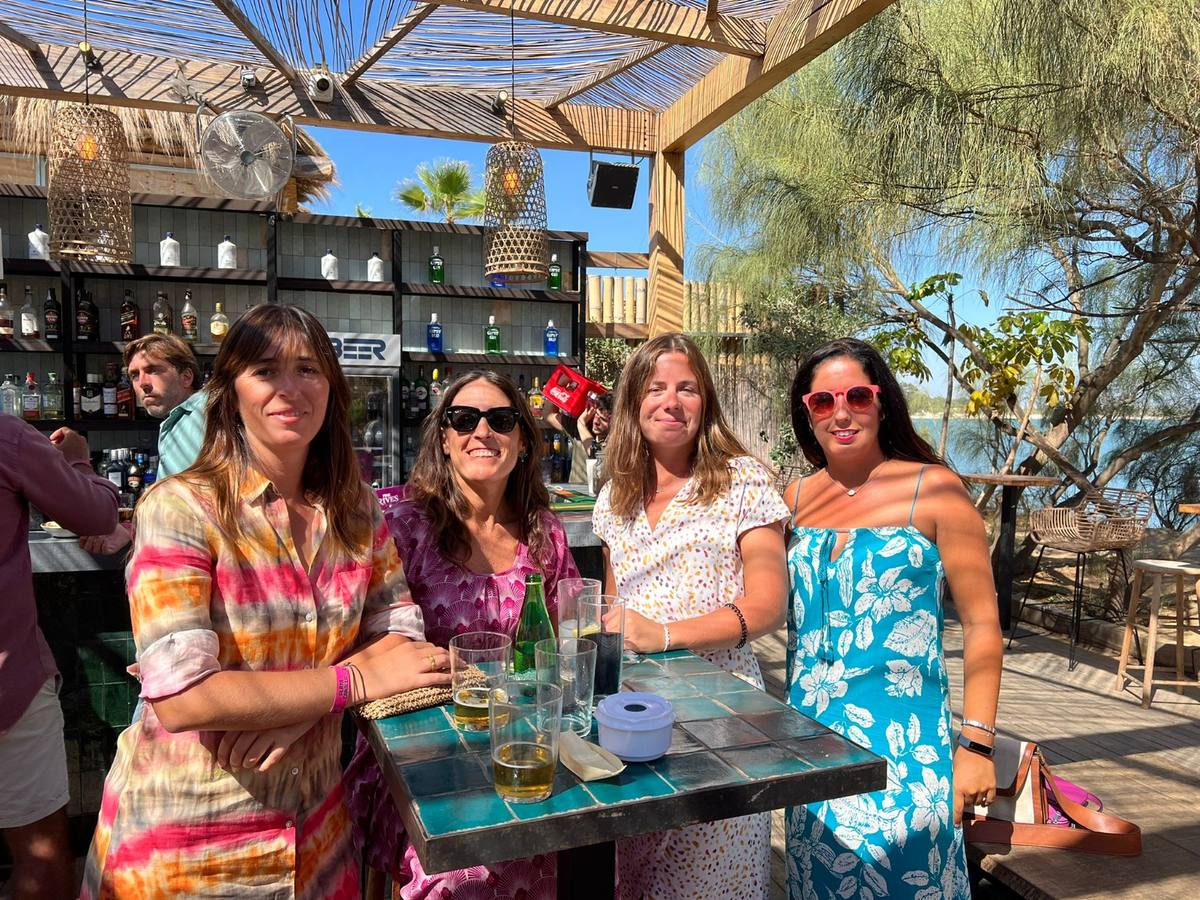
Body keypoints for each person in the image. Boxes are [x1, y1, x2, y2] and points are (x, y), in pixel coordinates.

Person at [81, 305, 450, 898]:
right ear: (229, 393)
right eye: (264, 370)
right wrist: (347, 683)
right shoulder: (179, 508)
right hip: (189, 846)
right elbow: (183, 696)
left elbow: (404, 644)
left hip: (319, 840)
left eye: (307, 369)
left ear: (332, 389)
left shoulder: (355, 511)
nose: (288, 388)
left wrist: (300, 709)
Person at [346, 369, 579, 899]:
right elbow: (359, 640)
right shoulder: (406, 528)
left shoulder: (546, 532)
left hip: (524, 745)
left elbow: (564, 647)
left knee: (584, 849)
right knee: (462, 877)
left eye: (501, 419)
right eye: (463, 419)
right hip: (421, 756)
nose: (482, 432)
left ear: (522, 440)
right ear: (444, 441)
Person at [782, 338, 1002, 899]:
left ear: (882, 403)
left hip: (907, 752)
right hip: (810, 750)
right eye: (823, 402)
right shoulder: (794, 498)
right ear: (806, 413)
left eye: (857, 395)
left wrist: (975, 746)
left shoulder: (934, 488)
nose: (842, 412)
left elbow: (981, 625)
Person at [591, 333, 789, 899]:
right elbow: (613, 608)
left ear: (706, 402)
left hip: (721, 718)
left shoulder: (742, 480)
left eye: (687, 388)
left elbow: (769, 603)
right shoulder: (614, 496)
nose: (670, 402)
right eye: (654, 388)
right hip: (631, 716)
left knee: (710, 880)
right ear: (632, 403)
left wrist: (666, 635)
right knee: (639, 878)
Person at [1, 418, 118, 900]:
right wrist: (75, 458)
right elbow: (96, 515)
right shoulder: (8, 437)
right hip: (10, 684)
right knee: (40, 856)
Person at [79, 333, 205, 556]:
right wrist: (130, 529)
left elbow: (197, 507)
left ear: (186, 377)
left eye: (153, 370)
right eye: (134, 375)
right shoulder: (180, 417)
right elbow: (173, 505)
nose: (143, 384)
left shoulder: (199, 415)